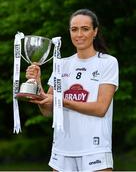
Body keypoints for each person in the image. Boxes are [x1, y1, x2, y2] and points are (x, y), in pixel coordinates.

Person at [26, 9, 119, 171]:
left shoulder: (108, 62)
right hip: (62, 151)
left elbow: (100, 108)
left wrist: (61, 101)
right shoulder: (61, 64)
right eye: (74, 29)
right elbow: (48, 111)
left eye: (85, 29)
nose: (79, 34)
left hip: (94, 149)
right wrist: (37, 84)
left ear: (95, 31)